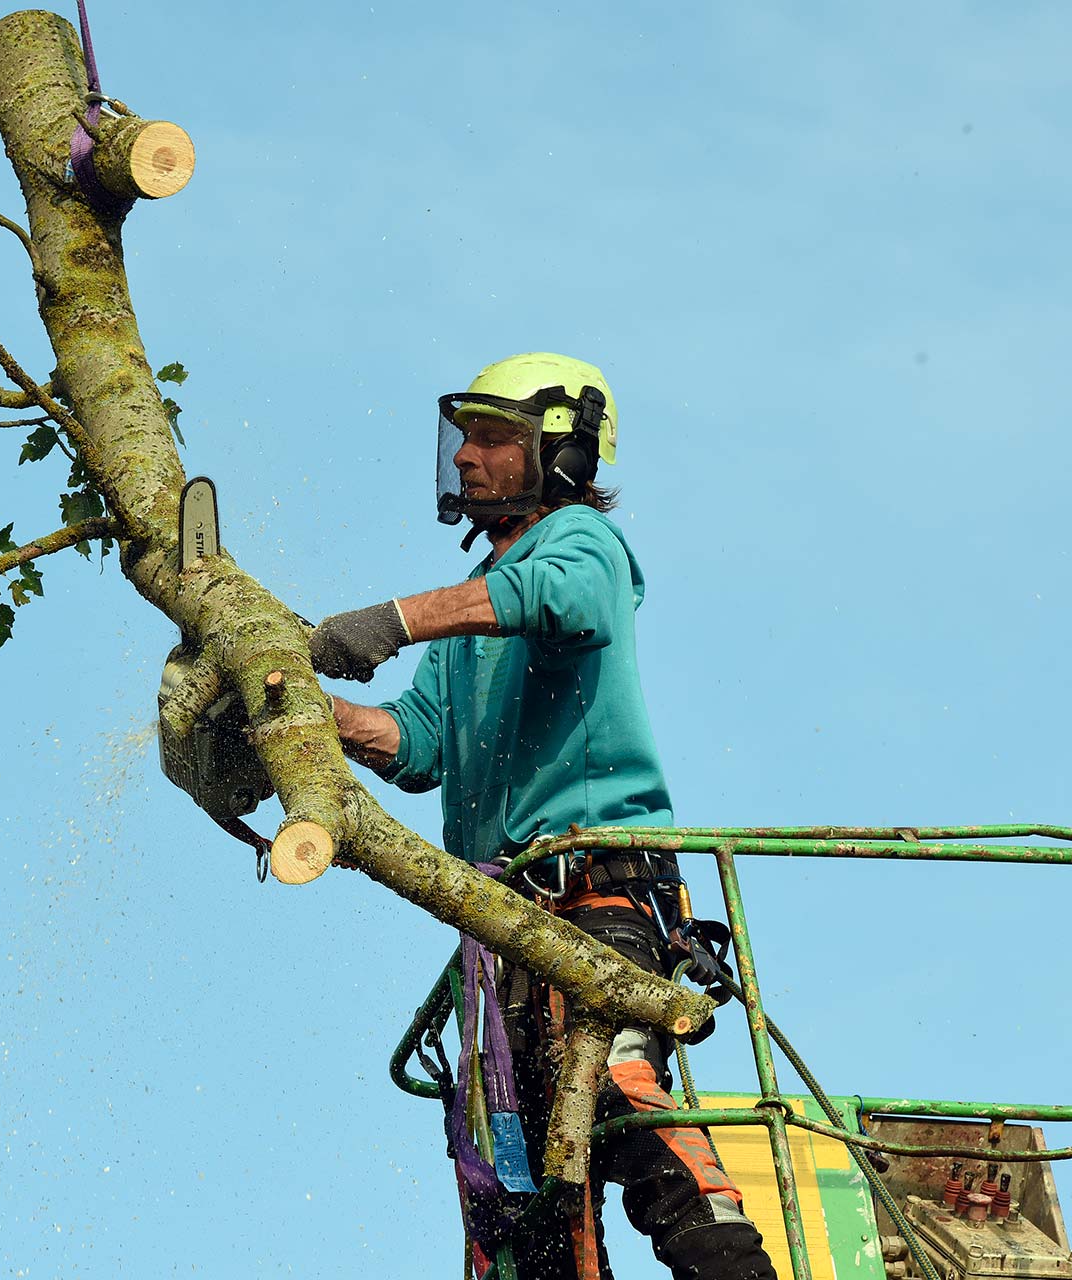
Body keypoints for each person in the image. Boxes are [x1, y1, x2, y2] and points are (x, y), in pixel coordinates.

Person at [310, 353, 775, 1280]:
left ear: (561, 453)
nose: (469, 459)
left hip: (596, 898)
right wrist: (309, 712)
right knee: (521, 1206)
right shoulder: (471, 618)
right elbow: (417, 741)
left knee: (617, 1098)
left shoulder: (580, 546)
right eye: (466, 438)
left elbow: (555, 597)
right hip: (503, 933)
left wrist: (395, 619)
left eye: (494, 439)